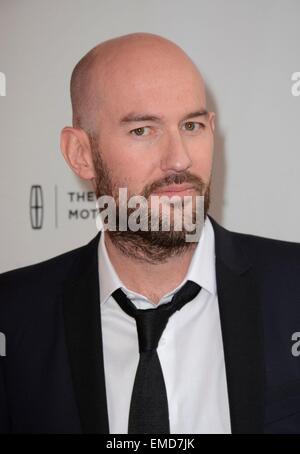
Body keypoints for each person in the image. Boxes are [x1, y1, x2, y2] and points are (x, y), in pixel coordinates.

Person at [1, 32, 300, 434]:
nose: (180, 158)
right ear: (81, 154)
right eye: (143, 130)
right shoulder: (13, 315)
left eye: (192, 125)